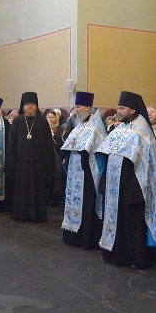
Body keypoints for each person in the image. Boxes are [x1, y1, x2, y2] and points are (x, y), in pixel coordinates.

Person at [95, 91, 156, 268]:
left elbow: (146, 163)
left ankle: (133, 257)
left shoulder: (142, 131)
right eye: (118, 107)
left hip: (132, 186)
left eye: (122, 108)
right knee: (115, 219)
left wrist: (136, 187)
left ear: (132, 110)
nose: (118, 111)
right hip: (114, 185)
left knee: (131, 222)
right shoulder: (121, 128)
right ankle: (115, 254)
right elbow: (105, 152)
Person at [61, 91, 106, 249]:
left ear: (87, 107)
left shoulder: (96, 126)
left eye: (78, 106)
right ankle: (72, 234)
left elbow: (93, 149)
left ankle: (85, 238)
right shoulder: (80, 125)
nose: (76, 110)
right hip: (75, 171)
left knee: (86, 204)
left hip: (87, 173)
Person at [6, 92, 55, 222]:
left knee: (37, 189)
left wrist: (48, 166)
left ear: (36, 106)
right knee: (21, 189)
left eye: (32, 105)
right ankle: (21, 214)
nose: (30, 108)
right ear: (23, 106)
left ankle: (37, 214)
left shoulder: (43, 122)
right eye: (28, 105)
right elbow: (11, 145)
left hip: (38, 165)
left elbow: (48, 147)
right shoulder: (17, 122)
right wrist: (11, 165)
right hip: (20, 165)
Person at [47, 109, 66, 205]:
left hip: (58, 155)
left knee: (58, 174)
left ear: (56, 118)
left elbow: (62, 141)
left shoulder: (61, 128)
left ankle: (58, 197)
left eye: (52, 117)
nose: (51, 119)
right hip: (48, 155)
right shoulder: (45, 128)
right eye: (49, 117)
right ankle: (49, 196)